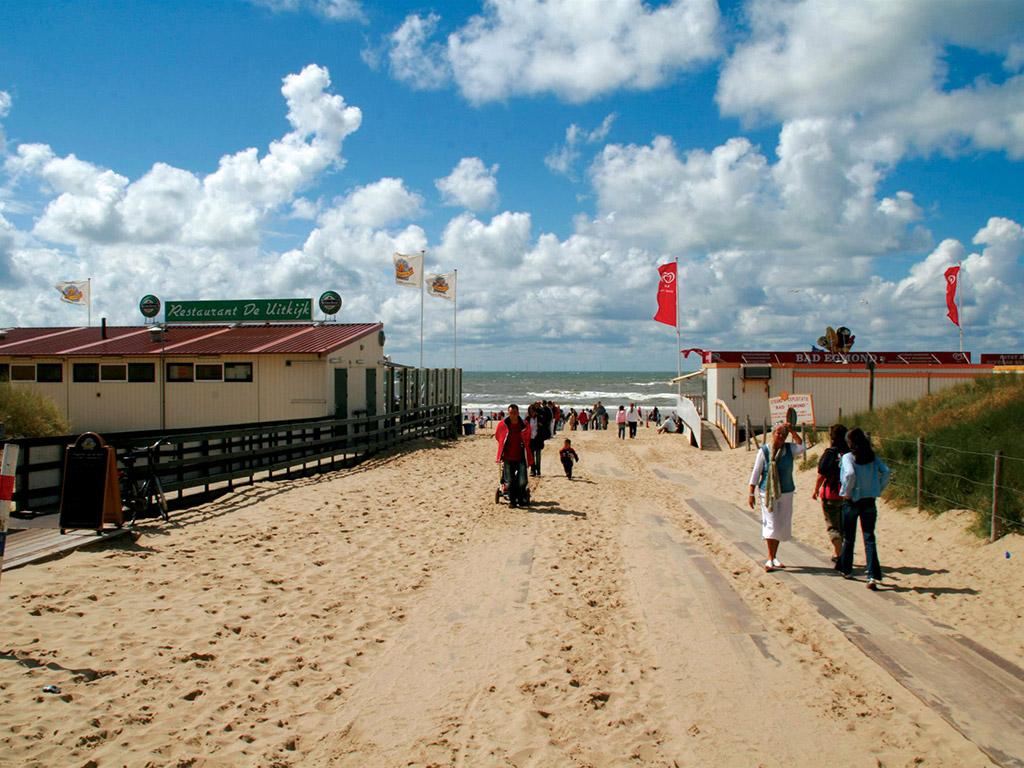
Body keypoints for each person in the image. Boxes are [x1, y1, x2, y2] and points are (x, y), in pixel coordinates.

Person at [835, 427, 891, 590]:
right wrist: (877, 488)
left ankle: (847, 569)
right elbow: (886, 471)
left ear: (850, 443)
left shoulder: (848, 457)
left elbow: (850, 474)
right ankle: (872, 575)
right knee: (869, 537)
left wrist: (846, 491)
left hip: (853, 501)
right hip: (869, 501)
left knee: (849, 537)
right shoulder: (872, 457)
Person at [748, 422, 805, 572]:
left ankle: (774, 557)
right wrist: (751, 493)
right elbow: (756, 472)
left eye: (783, 434)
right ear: (773, 434)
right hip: (767, 492)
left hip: (786, 492)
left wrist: (792, 430)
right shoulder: (764, 451)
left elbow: (802, 446)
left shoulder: (789, 449)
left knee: (780, 524)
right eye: (778, 433)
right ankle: (769, 558)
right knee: (771, 523)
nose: (780, 436)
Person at [812, 424, 848, 561]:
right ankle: (840, 552)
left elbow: (821, 474)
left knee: (833, 527)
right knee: (843, 526)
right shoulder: (850, 453)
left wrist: (816, 489)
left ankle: (839, 555)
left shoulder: (830, 453)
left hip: (831, 493)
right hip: (847, 495)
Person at [495, 404, 533, 508]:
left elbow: (528, 437)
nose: (513, 415)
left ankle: (521, 499)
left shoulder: (524, 425)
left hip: (520, 456)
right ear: (508, 413)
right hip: (507, 457)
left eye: (515, 413)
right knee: (509, 481)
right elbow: (498, 436)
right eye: (511, 413)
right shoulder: (502, 425)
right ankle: (512, 501)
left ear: (518, 413)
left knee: (522, 480)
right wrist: (503, 445)